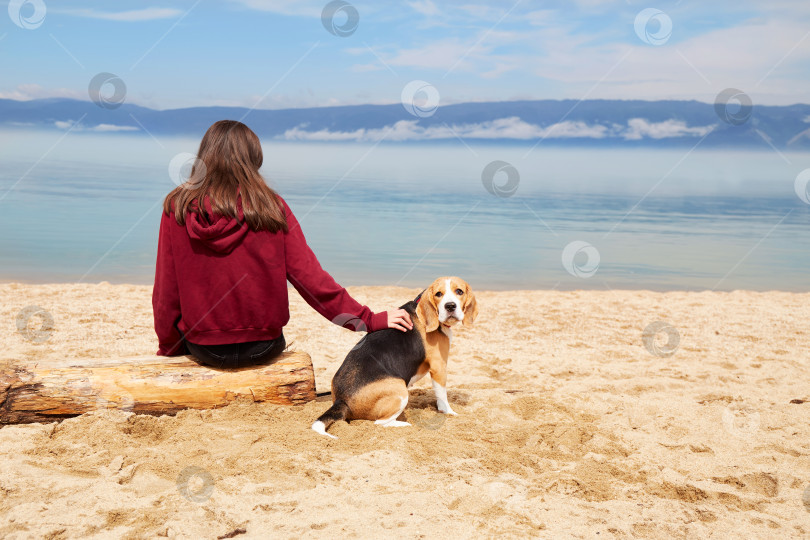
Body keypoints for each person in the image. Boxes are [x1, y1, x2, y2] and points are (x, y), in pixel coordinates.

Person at [152, 120, 412, 369]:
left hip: (204, 349)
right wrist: (367, 319)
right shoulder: (271, 207)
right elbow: (311, 280)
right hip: (263, 348)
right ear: (253, 158)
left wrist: (170, 348)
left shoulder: (178, 207)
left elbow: (166, 291)